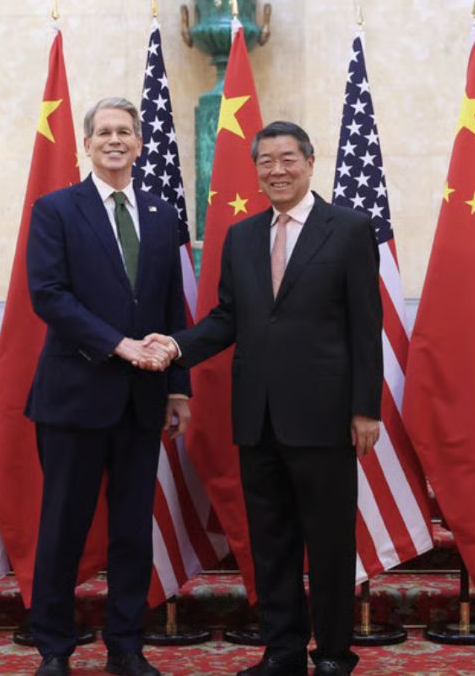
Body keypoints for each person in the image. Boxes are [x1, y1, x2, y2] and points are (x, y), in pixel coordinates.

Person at [146, 121, 383, 676]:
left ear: (309, 161)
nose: (277, 170)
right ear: (256, 170)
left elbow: (364, 326)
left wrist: (365, 407)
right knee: (271, 543)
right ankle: (282, 652)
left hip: (326, 418)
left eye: (287, 159)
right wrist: (175, 346)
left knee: (326, 544)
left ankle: (331, 654)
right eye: (266, 162)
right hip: (256, 418)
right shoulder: (244, 236)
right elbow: (229, 317)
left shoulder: (348, 229)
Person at [24, 97, 191, 676]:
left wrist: (179, 387)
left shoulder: (163, 213)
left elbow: (173, 303)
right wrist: (118, 345)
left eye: (125, 132)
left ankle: (125, 644)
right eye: (104, 133)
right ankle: (53, 646)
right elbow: (48, 295)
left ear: (140, 144)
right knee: (63, 527)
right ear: (86, 146)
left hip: (144, 400)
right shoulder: (56, 209)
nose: (115, 140)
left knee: (130, 531)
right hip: (74, 396)